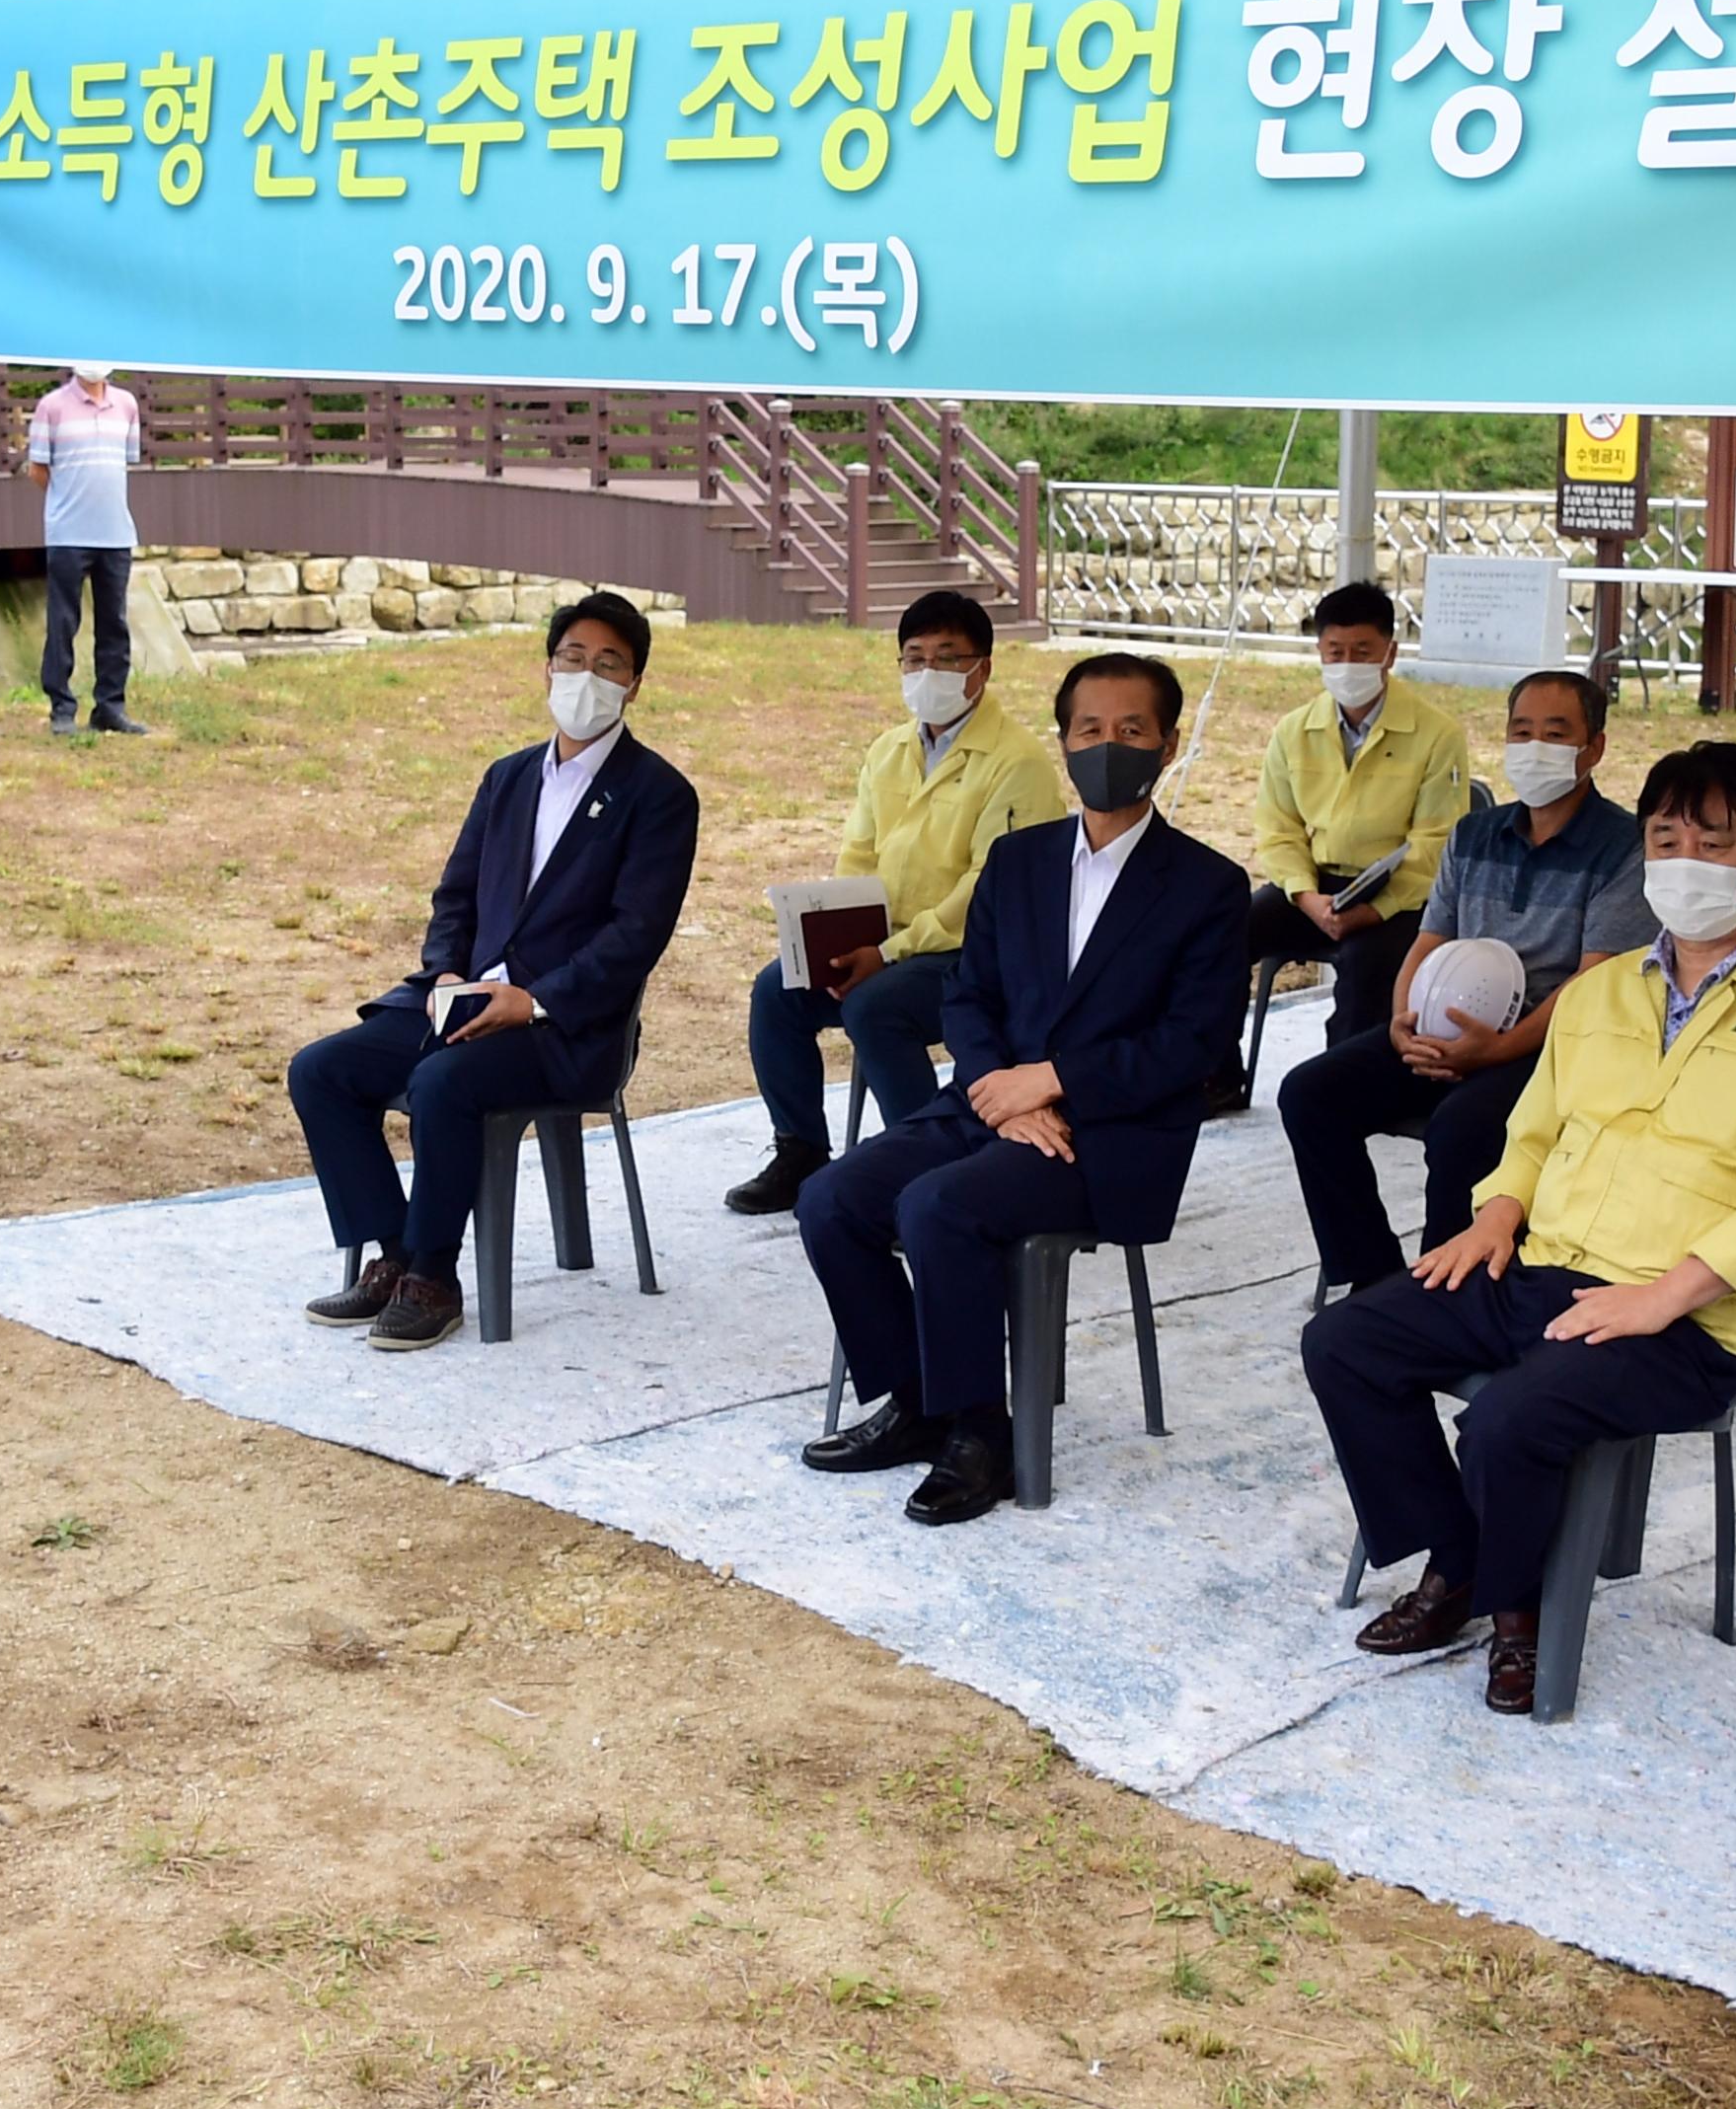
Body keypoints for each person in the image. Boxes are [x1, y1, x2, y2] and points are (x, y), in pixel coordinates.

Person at [1303, 742, 1736, 1708]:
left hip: (1687, 1319)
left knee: (1513, 1416)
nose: (1686, 858)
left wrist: (1665, 1296)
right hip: (1541, 1271)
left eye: (1715, 839)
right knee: (1346, 1339)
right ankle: (1464, 1556)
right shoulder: (1599, 994)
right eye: (1666, 837)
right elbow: (1531, 1129)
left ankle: (1513, 1613)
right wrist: (1500, 1213)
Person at [795, 653, 1245, 1526]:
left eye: (1132, 731)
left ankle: (982, 1433)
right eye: (1089, 730)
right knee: (831, 1198)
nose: (1107, 746)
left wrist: (1053, 1084)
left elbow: (1194, 1044)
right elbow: (969, 993)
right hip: (994, 1103)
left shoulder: (1208, 887)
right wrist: (1005, 1086)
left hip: (1110, 1136)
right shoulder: (1018, 861)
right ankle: (922, 1401)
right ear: (1064, 740)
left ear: (1168, 745)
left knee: (937, 1208)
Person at [285, 593, 699, 1352]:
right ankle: (396, 1253)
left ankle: (436, 1280)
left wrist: (534, 1001)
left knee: (446, 1083)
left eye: (609, 663)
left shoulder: (659, 796)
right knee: (320, 1071)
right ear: (548, 667)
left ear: (635, 683)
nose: (587, 675)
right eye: (572, 657)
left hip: (564, 1026)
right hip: (462, 1001)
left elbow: (635, 937)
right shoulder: (508, 778)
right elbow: (456, 896)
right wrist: (443, 974)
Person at [1277, 667, 1652, 1299]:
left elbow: (1591, 983)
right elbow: (1430, 940)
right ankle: (1373, 1281)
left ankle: (1443, 1297)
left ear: (1594, 748)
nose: (1535, 746)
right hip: (1441, 1027)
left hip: (1545, 1047)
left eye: (1555, 733)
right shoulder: (1475, 833)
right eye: (1521, 730)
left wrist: (1497, 1049)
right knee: (1310, 1095)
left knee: (1461, 1132)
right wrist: (1404, 1022)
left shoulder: (1624, 847)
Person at [724, 590, 1062, 1216]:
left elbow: (988, 892)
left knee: (878, 1008)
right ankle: (799, 1150)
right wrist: (832, 938)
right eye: (914, 658)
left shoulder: (1017, 763)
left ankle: (927, 1167)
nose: (927, 673)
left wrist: (887, 952)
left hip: (975, 957)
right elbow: (858, 856)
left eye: (947, 657)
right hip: (889, 944)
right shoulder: (888, 751)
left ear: (982, 669)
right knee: (778, 991)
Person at [1230, 579, 1470, 1101]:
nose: (1348, 664)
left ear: (1391, 652)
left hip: (1397, 896)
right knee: (1224, 933)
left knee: (1368, 963)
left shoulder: (1436, 734)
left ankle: (1347, 1091)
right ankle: (1215, 1071)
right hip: (1313, 889)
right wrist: (1304, 895)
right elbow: (1278, 829)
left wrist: (1376, 908)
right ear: (1319, 652)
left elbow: (1436, 842)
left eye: (1362, 652)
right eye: (1335, 652)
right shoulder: (1294, 730)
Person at [27, 362, 147, 737]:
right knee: (62, 621)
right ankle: (62, 708)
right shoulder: (52, 406)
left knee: (115, 623)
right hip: (68, 533)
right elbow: (37, 470)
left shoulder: (127, 404)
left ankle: (110, 707)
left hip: (115, 533)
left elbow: (127, 461)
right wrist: (67, 502)